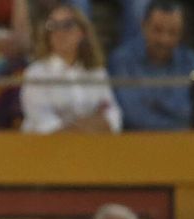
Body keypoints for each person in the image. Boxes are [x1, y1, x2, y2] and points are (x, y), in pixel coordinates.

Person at [110, 1, 194, 130]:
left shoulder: (191, 61)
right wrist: (181, 124)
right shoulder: (122, 60)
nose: (164, 39)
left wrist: (158, 104)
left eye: (172, 32)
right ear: (143, 26)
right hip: (139, 140)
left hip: (185, 140)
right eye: (157, 30)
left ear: (181, 33)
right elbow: (133, 115)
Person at [20, 3, 120, 132]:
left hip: (92, 143)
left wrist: (98, 123)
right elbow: (45, 125)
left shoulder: (96, 72)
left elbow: (113, 115)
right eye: (52, 26)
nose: (59, 32)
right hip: (45, 145)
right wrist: (86, 125)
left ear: (82, 32)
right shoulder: (36, 74)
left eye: (67, 25)